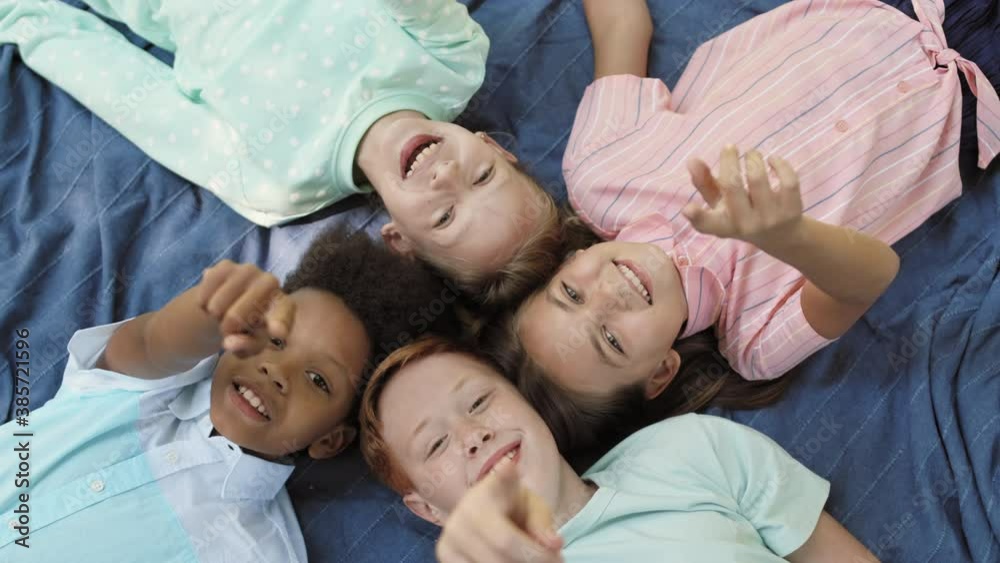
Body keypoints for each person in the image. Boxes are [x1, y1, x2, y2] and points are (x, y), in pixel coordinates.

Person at [480, 0, 1000, 450]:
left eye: (571, 294)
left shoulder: (601, 174)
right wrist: (785, 236)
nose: (609, 296)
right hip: (977, 95)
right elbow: (872, 275)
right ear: (661, 372)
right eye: (612, 342)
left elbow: (622, 27)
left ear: (570, 261)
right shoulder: (754, 343)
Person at [0, 0, 561, 305]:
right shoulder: (453, 62)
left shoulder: (277, 183)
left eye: (444, 216)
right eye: (482, 176)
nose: (446, 177)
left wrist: (24, 17)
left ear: (400, 240)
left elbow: (135, 99)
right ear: (493, 147)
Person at [0, 227, 455, 562]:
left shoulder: (259, 551)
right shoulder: (146, 385)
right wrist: (206, 310)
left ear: (331, 440)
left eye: (318, 380)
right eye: (275, 339)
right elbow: (153, 341)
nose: (278, 372)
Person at [359, 336, 880, 563]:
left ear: (527, 403)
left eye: (478, 401)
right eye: (436, 444)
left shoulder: (689, 446)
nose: (472, 435)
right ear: (427, 510)